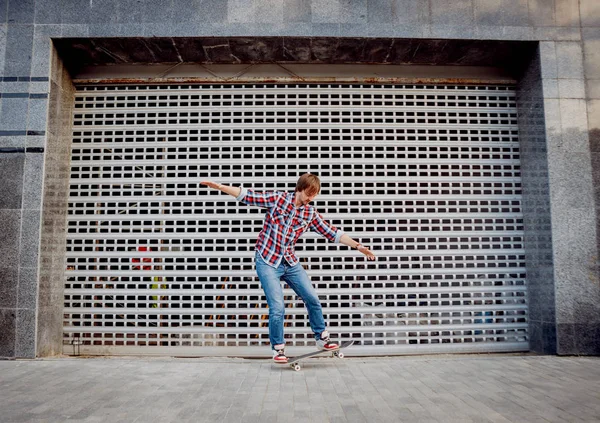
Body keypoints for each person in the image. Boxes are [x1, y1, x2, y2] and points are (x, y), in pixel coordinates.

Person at [201, 173, 376, 363]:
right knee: (277, 307)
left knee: (312, 298)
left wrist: (358, 246)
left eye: (314, 195)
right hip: (267, 260)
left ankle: (321, 338)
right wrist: (220, 187)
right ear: (299, 189)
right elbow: (248, 195)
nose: (311, 198)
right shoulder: (278, 199)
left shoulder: (310, 213)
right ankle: (278, 349)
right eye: (309, 193)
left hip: (290, 262)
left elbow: (332, 232)